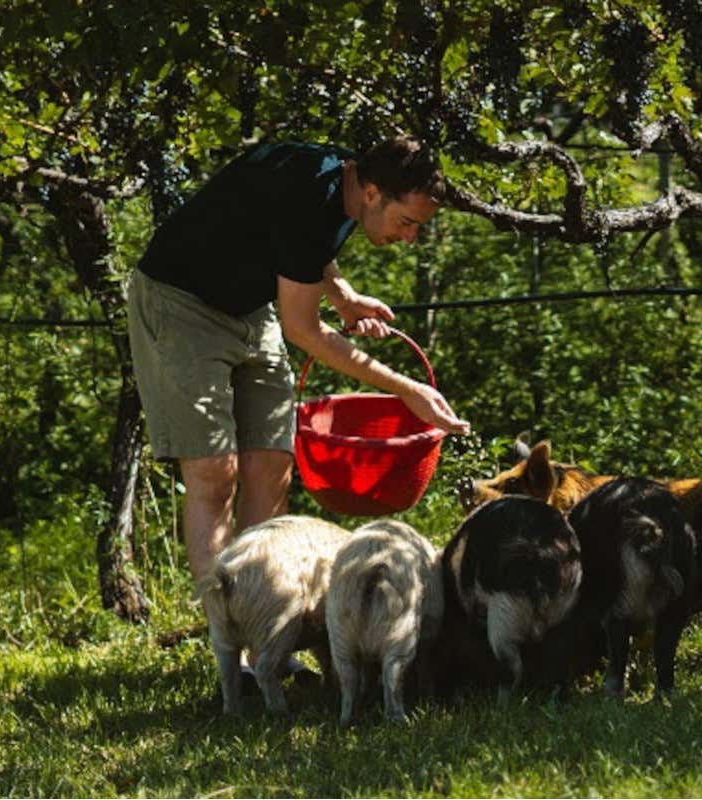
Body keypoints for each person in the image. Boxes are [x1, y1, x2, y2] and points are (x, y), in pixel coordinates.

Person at [127, 135, 471, 587]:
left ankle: (263, 623)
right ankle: (228, 643)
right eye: (407, 222)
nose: (410, 238)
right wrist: (406, 390)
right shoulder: (311, 190)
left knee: (271, 466)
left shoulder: (343, 184)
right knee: (214, 473)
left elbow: (303, 248)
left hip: (250, 307)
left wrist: (343, 295)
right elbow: (304, 330)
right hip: (180, 305)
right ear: (372, 193)